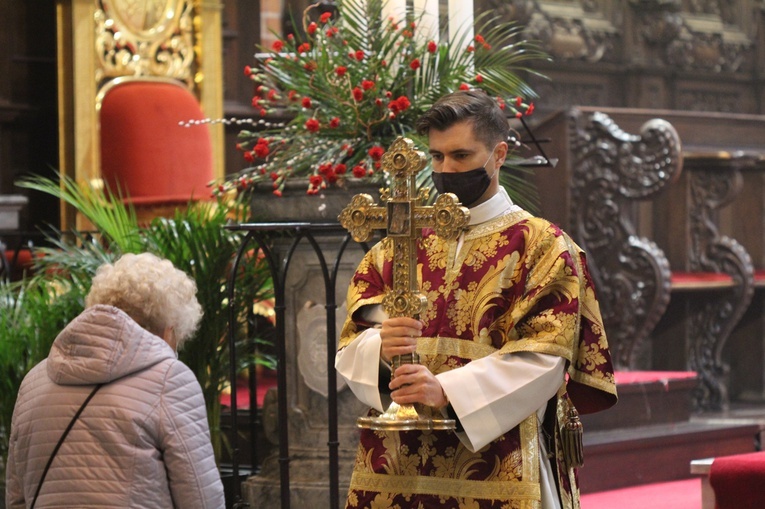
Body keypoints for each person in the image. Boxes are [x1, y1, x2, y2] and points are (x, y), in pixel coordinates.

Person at [335, 90, 618, 509]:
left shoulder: (542, 246)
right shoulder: (397, 246)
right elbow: (352, 341)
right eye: (436, 157)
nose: (445, 170)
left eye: (461, 156)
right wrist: (381, 347)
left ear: (498, 155)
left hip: (500, 455)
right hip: (398, 463)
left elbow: (545, 357)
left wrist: (446, 391)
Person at [5, 253, 225, 508]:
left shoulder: (34, 381)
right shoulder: (170, 380)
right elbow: (200, 498)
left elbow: (16, 497)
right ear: (169, 329)